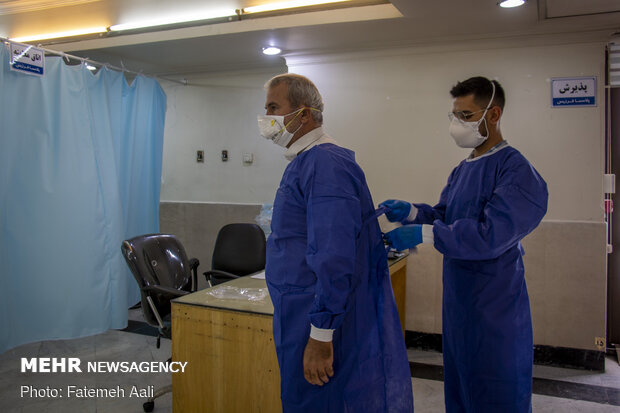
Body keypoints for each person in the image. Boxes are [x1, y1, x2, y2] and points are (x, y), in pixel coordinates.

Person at [380, 76, 548, 413]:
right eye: (455, 116)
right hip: (460, 304)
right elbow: (446, 215)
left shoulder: (517, 171)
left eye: (467, 116)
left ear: (494, 114)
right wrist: (413, 212)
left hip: (495, 308)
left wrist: (424, 234)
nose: (458, 125)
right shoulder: (463, 170)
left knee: (496, 391)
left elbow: (490, 235)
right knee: (461, 388)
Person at [259, 73, 414, 412]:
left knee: (322, 399)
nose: (266, 117)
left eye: (273, 107)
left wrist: (321, 334)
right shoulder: (305, 162)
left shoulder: (324, 162)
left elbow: (332, 254)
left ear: (304, 113)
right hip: (299, 308)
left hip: (316, 315)